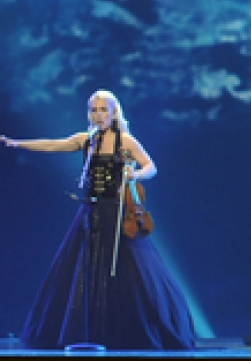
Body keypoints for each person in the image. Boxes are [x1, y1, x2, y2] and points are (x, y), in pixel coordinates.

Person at [0, 89, 196, 350]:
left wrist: (134, 174)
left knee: (133, 272)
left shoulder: (125, 140)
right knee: (81, 270)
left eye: (103, 109)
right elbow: (53, 144)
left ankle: (129, 329)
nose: (98, 114)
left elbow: (151, 166)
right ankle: (87, 330)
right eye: (93, 109)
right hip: (91, 212)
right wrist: (16, 143)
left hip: (118, 214)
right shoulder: (87, 140)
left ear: (114, 112)